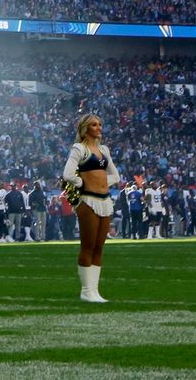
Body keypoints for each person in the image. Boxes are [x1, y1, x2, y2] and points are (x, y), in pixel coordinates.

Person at [62, 112, 121, 303]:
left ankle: (95, 291)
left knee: (99, 247)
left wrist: (103, 182)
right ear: (85, 128)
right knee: (88, 246)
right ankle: (86, 291)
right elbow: (67, 174)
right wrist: (84, 183)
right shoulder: (79, 149)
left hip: (105, 200)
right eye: (94, 125)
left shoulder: (104, 150)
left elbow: (115, 176)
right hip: (87, 201)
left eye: (100, 124)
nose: (99, 127)